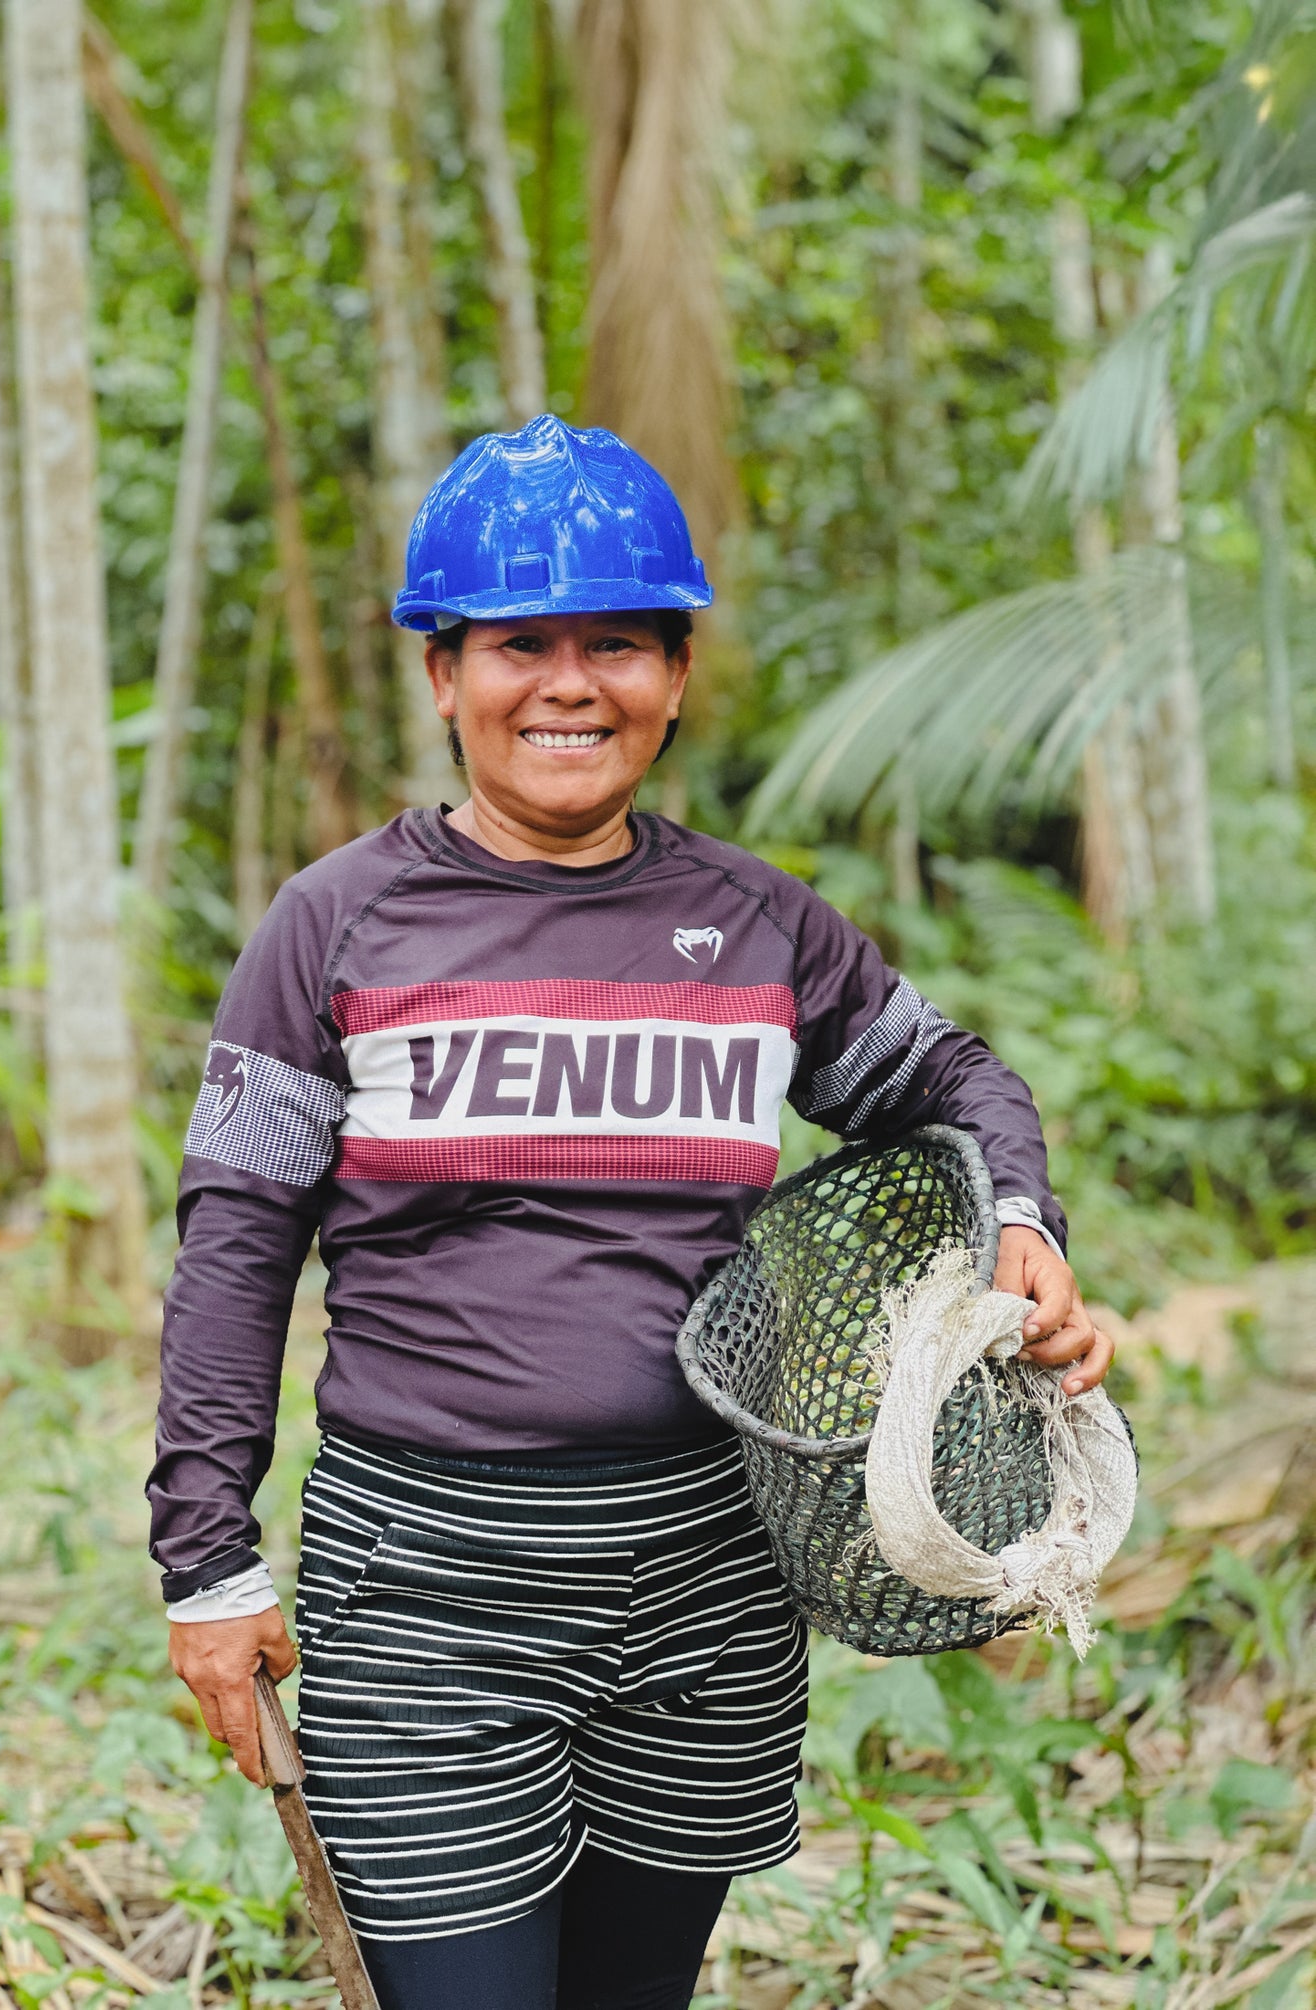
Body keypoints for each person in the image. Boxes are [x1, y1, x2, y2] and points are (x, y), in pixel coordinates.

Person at [147, 414, 1114, 2010]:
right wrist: (207, 1562)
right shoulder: (329, 927)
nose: (570, 684)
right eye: (521, 642)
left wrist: (1024, 1214)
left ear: (674, 675)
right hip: (424, 1591)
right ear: (444, 674)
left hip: (705, 1583)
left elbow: (949, 1077)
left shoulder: (757, 925)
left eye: (619, 643)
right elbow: (234, 1251)